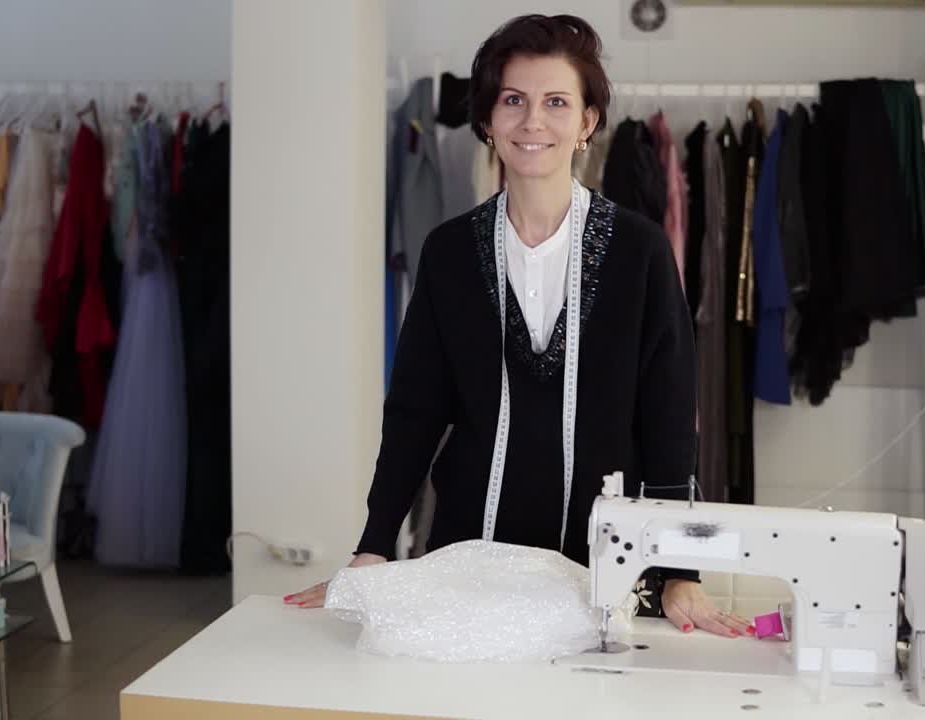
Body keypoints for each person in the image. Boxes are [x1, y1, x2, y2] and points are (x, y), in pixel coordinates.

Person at [286, 14, 754, 640]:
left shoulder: (640, 252)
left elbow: (670, 420)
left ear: (587, 122)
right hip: (468, 564)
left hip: (604, 571)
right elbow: (414, 414)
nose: (533, 121)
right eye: (513, 100)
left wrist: (679, 569)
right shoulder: (449, 252)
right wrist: (374, 547)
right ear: (487, 120)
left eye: (556, 102)